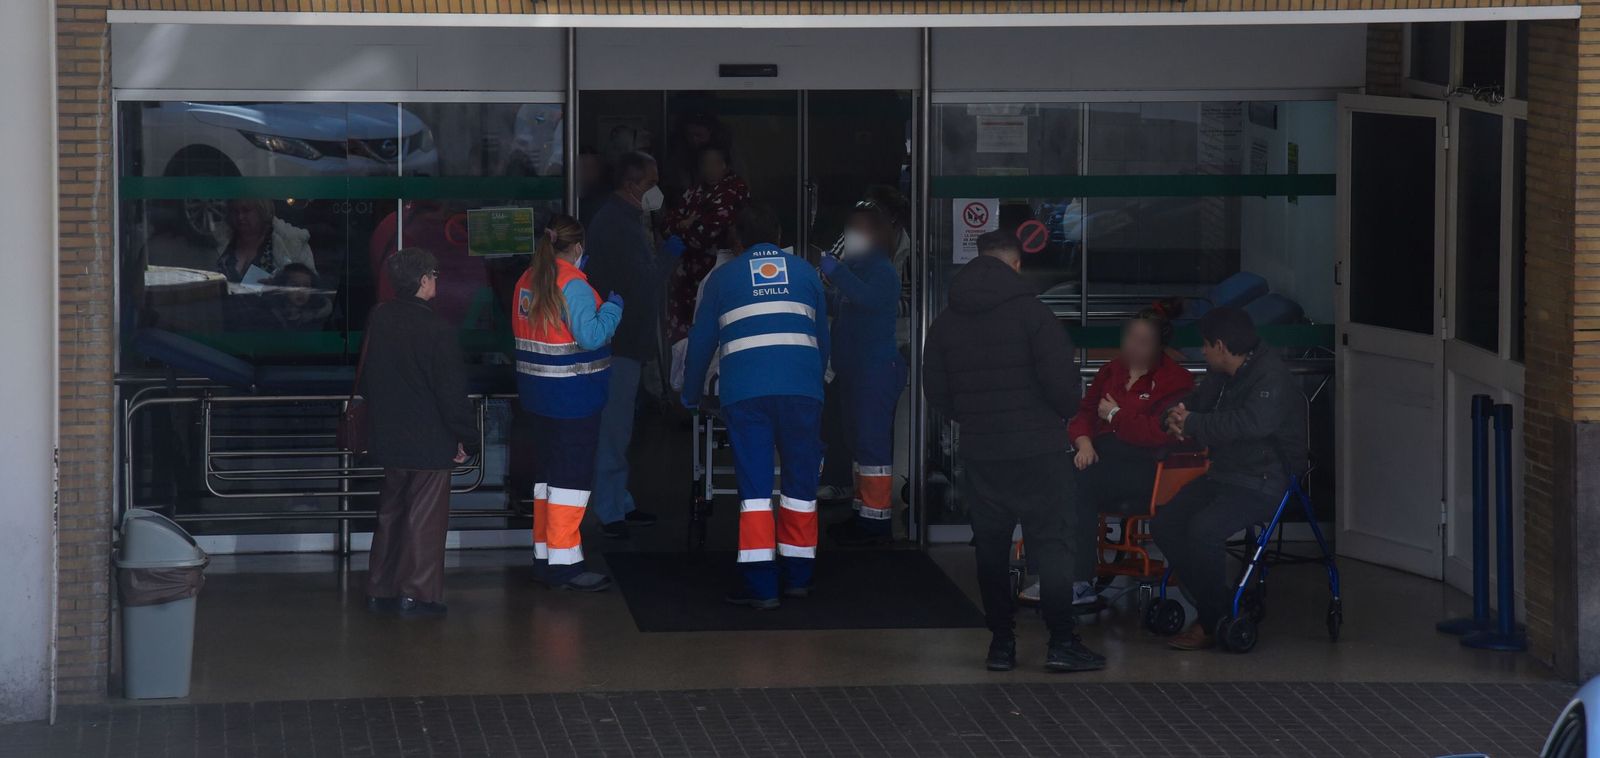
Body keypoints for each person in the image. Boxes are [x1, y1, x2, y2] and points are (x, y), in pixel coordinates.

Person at [922, 230, 1104, 673]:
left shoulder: (946, 320)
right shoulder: (1034, 314)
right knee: (1054, 546)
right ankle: (1061, 642)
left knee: (990, 549)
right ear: (1017, 264)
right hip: (1040, 450)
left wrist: (976, 418)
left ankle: (1001, 644)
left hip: (982, 451)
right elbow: (1064, 392)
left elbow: (936, 391)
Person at [682, 203, 830, 610]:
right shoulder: (805, 273)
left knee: (756, 491)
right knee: (800, 486)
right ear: (779, 234)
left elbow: (700, 343)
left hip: (746, 394)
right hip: (801, 390)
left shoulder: (722, 278)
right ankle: (798, 576)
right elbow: (822, 338)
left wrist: (691, 394)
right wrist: (813, 382)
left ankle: (761, 584)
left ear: (737, 240)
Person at [1017, 300, 1195, 606]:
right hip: (1099, 454)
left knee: (1077, 483)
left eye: (1143, 341)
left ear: (1159, 346)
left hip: (1146, 466)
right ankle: (1048, 574)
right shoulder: (1112, 370)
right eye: (1130, 338)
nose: (1133, 346)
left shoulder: (1176, 381)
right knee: (1044, 474)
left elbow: (1158, 433)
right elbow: (1084, 412)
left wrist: (1115, 415)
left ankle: (1077, 582)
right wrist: (1083, 442)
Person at [1155, 306, 1305, 651]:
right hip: (1224, 475)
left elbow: (1250, 424)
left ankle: (1211, 621)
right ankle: (1221, 607)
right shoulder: (1222, 373)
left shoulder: (1271, 376)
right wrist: (1173, 416)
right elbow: (1197, 402)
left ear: (1220, 346)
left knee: (1203, 530)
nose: (1203, 351)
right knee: (1165, 523)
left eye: (1206, 345)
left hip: (1264, 480)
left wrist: (1193, 423)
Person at [361, 248, 481, 619]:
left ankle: (380, 588)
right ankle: (416, 595)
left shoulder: (380, 318)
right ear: (423, 280)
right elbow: (451, 394)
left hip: (388, 433)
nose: (436, 280)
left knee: (391, 514)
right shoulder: (437, 330)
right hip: (429, 439)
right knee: (424, 520)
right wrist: (469, 438)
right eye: (434, 274)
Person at [513, 214, 624, 593]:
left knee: (546, 480)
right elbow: (590, 336)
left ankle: (544, 558)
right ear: (577, 247)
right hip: (574, 397)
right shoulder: (573, 284)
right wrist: (613, 309)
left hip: (537, 396)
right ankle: (565, 567)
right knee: (570, 483)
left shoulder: (527, 280)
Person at [584, 151, 682, 539]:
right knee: (615, 428)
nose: (656, 190)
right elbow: (643, 285)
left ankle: (617, 500)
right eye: (651, 183)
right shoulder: (618, 225)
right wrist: (670, 256)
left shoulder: (621, 219)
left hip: (622, 340)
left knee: (618, 427)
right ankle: (609, 509)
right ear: (631, 184)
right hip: (619, 343)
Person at [819, 203, 906, 546]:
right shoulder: (856, 268)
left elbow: (867, 299)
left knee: (871, 447)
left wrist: (836, 273)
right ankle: (863, 512)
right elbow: (840, 302)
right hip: (855, 372)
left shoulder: (881, 270)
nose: (850, 235)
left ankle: (876, 523)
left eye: (857, 229)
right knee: (858, 444)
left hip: (875, 372)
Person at [661, 144, 750, 344]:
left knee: (711, 333)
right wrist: (685, 224)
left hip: (716, 271)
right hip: (685, 280)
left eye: (714, 163)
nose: (709, 169)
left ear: (725, 165)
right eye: (705, 164)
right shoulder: (696, 190)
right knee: (682, 340)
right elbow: (666, 224)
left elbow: (705, 234)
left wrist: (684, 225)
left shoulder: (734, 190)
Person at [215, 199, 315, 284]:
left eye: (246, 210)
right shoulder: (217, 242)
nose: (240, 217)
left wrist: (281, 288)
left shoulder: (292, 242)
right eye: (235, 211)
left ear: (262, 210)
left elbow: (311, 290)